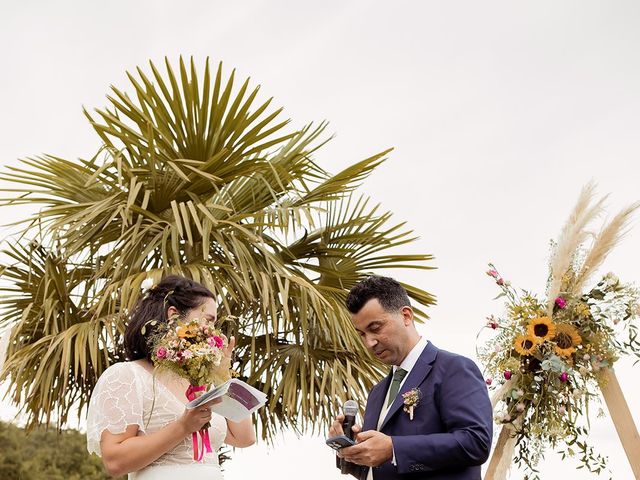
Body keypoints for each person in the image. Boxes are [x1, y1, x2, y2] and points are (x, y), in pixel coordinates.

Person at [86, 275, 256, 479]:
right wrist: (183, 427)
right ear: (173, 315)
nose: (213, 330)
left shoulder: (201, 384)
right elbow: (115, 460)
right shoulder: (127, 375)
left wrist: (223, 376)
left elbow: (244, 437)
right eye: (209, 320)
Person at [329, 276, 492, 480]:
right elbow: (375, 470)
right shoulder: (377, 392)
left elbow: (476, 442)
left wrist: (394, 448)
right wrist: (351, 450)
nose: (369, 342)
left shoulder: (454, 368)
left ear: (406, 316)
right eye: (361, 334)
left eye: (375, 328)